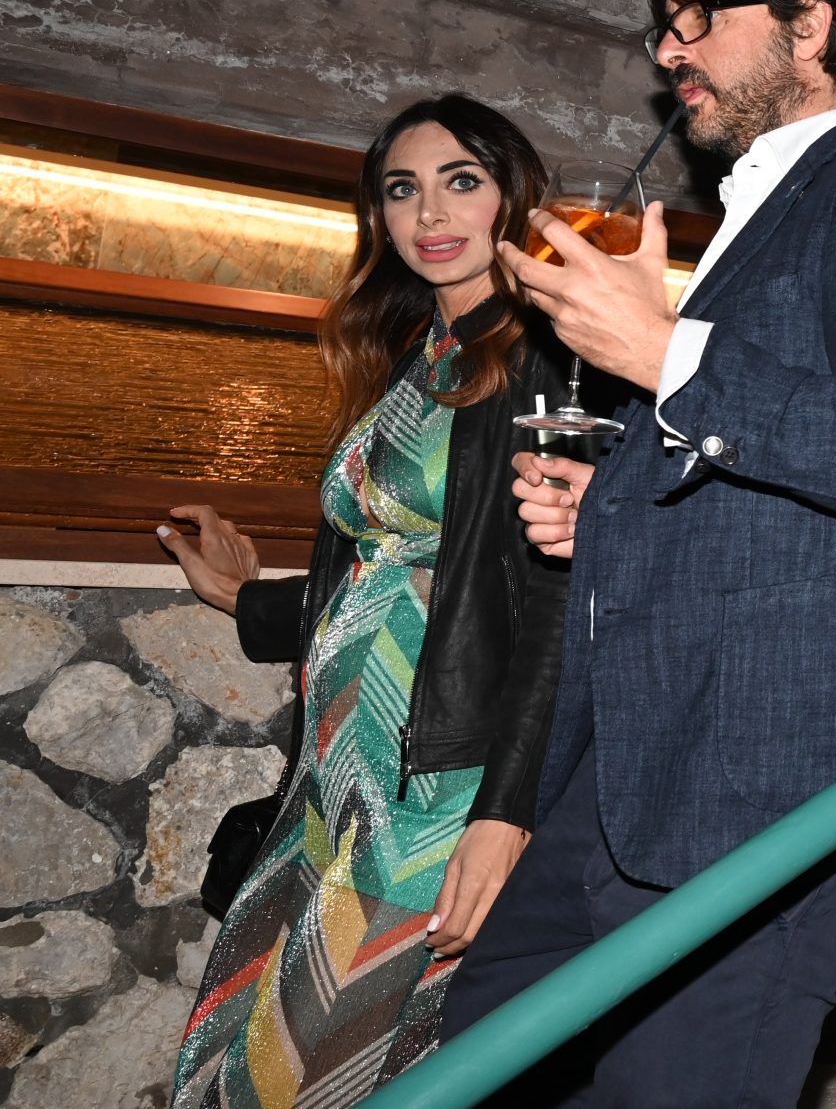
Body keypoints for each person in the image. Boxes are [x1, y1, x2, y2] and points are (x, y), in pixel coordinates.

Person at [439, 0, 836, 1108]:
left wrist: (663, 354)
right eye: (663, 20)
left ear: (809, 22)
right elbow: (770, 476)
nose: (668, 47)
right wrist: (611, 506)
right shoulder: (744, 225)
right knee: (477, 1058)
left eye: (700, 13)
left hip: (781, 782)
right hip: (640, 768)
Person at [164, 95, 574, 1107]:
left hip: (438, 783)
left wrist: (506, 810)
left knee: (299, 1068)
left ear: (512, 197)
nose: (430, 211)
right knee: (235, 1046)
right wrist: (245, 599)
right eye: (403, 188)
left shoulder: (547, 359)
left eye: (461, 180)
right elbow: (388, 568)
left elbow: (559, 595)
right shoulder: (417, 357)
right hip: (337, 763)